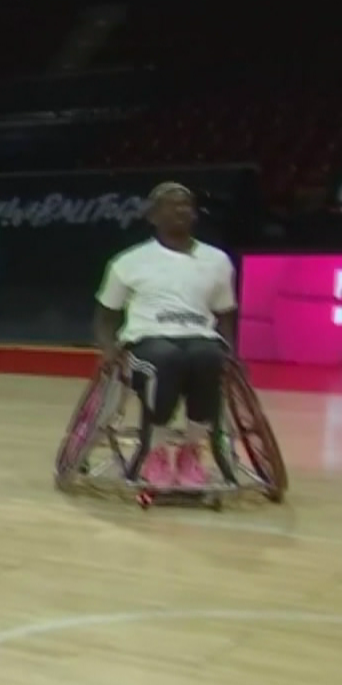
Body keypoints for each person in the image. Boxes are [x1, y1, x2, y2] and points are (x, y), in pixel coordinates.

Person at [94, 181, 237, 489]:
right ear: (153, 216)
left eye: (186, 204)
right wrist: (107, 349)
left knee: (208, 356)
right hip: (146, 340)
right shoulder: (128, 262)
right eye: (171, 205)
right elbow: (106, 315)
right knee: (166, 358)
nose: (181, 210)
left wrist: (232, 351)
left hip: (199, 336)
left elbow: (225, 313)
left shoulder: (217, 261)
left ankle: (191, 451)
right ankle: (155, 450)